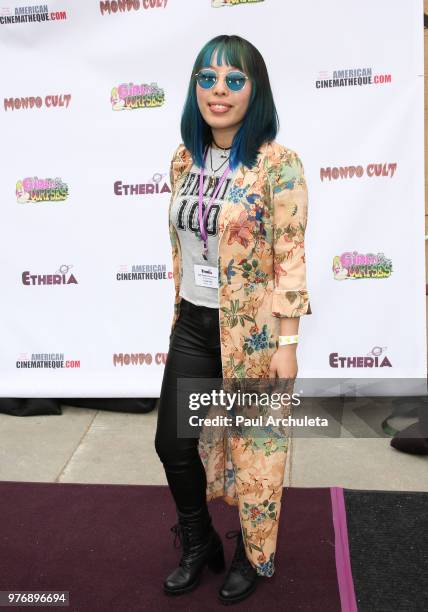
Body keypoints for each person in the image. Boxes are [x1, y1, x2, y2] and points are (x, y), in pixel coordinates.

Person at [155, 34, 312, 605]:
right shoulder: (183, 159)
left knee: (254, 450)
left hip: (253, 334)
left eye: (233, 80)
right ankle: (199, 544)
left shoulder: (278, 165)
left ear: (255, 90)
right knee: (173, 444)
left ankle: (249, 549)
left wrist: (288, 342)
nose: (218, 92)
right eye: (207, 79)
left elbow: (290, 258)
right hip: (195, 324)